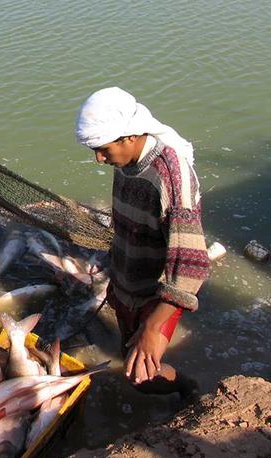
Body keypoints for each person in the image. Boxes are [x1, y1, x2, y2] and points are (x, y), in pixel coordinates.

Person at [75, 87, 210, 401]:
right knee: (127, 353)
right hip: (127, 282)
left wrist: (152, 326)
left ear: (129, 137)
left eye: (103, 149)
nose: (98, 159)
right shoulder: (126, 162)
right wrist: (116, 280)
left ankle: (187, 387)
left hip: (157, 295)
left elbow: (191, 268)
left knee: (140, 377)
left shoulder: (171, 179)